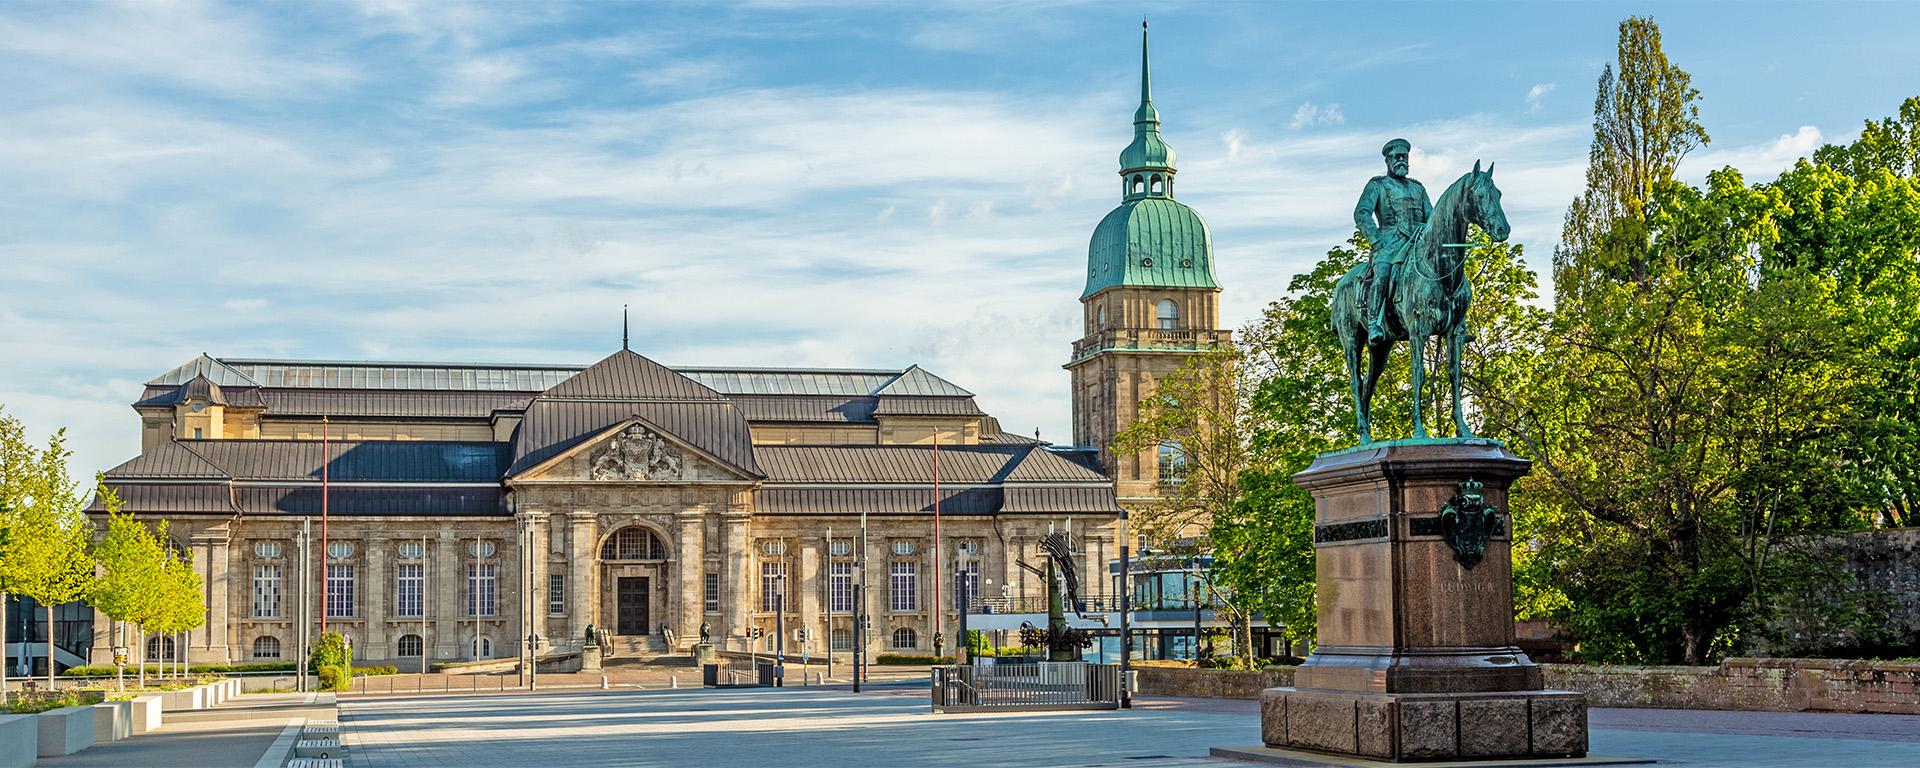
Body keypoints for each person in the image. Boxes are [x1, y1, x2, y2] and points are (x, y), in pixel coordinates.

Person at [1352, 138, 1433, 345]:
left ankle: (1455, 321)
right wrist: (1376, 241)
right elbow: (1362, 213)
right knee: (1383, 275)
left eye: (1404, 156)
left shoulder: (1418, 188)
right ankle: (1374, 323)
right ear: (1387, 160)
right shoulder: (1377, 185)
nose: (1401, 160)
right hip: (1389, 242)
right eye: (1396, 157)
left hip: (1418, 242)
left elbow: (1431, 217)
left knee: (1445, 268)